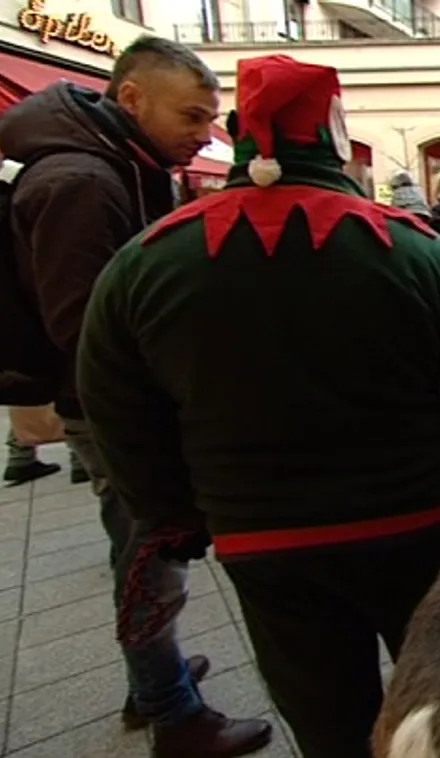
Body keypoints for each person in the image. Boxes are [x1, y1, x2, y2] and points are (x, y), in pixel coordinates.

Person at [75, 54, 440, 758]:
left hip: (262, 542)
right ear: (334, 139)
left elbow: (116, 410)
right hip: (410, 524)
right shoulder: (411, 249)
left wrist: (175, 516)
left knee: (327, 720)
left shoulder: (144, 262)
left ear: (240, 134)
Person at [0, 35, 269, 756]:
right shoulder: (85, 182)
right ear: (131, 99)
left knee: (144, 548)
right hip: (110, 405)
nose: (202, 135)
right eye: (191, 116)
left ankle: (155, 673)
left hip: (104, 399)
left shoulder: (118, 163)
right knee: (149, 552)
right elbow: (87, 323)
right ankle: (168, 707)